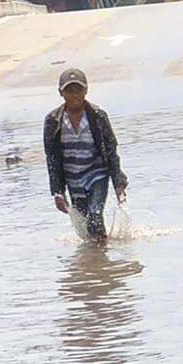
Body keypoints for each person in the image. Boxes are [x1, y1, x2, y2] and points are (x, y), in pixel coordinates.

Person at [44, 67, 128, 242]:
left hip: (97, 174)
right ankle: (97, 255)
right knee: (84, 226)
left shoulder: (97, 116)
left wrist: (118, 182)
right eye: (69, 90)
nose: (75, 95)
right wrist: (58, 192)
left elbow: (111, 150)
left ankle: (99, 263)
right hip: (72, 179)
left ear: (86, 90)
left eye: (79, 90)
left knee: (95, 216)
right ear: (61, 93)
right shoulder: (53, 120)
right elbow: (52, 158)